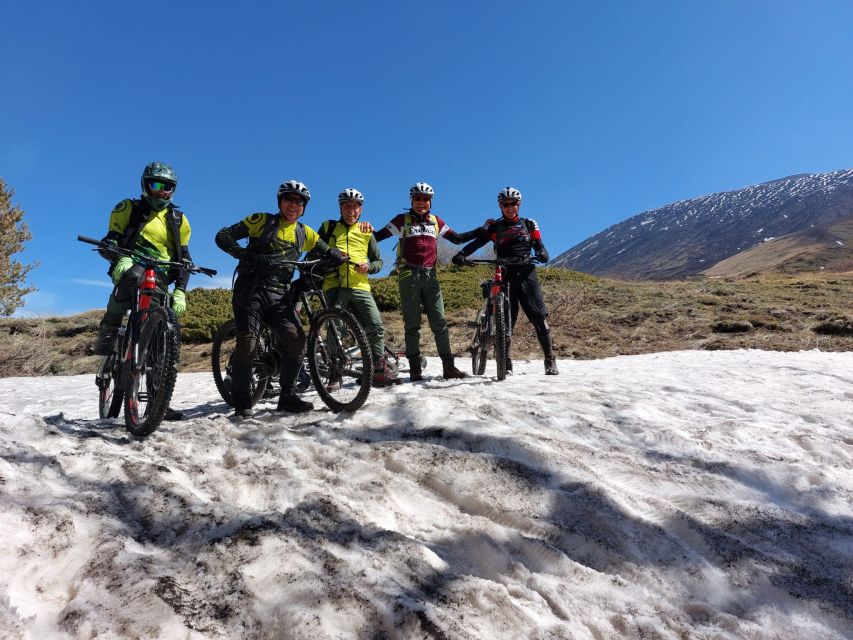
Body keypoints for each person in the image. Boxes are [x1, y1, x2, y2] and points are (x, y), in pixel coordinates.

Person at [215, 179, 346, 419]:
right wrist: (245, 254)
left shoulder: (304, 233)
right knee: (249, 344)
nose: (293, 205)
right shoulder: (261, 221)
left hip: (279, 295)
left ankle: (287, 397)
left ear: (304, 207)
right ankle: (242, 402)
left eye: (299, 202)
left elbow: (325, 248)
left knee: (297, 340)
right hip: (250, 290)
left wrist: (335, 254)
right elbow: (223, 236)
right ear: (280, 202)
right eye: (288, 199)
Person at [92, 161, 192, 420]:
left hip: (159, 277)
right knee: (132, 276)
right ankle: (109, 329)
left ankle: (158, 400)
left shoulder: (179, 220)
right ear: (145, 185)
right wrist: (119, 258)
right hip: (129, 263)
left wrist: (180, 289)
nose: (161, 191)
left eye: (167, 187)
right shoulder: (128, 208)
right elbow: (110, 240)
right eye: (156, 185)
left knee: (160, 339)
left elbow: (185, 260)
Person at [373, 182, 481, 381]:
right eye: (418, 199)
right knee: (412, 324)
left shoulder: (435, 221)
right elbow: (377, 237)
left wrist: (482, 230)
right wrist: (361, 231)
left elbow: (457, 239)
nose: (422, 202)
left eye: (425, 199)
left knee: (439, 322)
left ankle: (449, 368)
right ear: (411, 201)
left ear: (430, 201)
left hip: (431, 276)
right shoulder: (401, 220)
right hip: (408, 276)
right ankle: (415, 371)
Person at [453, 186, 559, 375]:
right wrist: (461, 254)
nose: (510, 207)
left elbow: (540, 246)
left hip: (526, 274)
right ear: (500, 206)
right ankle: (506, 363)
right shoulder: (495, 227)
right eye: (505, 204)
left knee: (538, 318)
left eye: (513, 203)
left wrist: (542, 254)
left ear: (519, 204)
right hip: (504, 274)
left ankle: (550, 361)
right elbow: (476, 243)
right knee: (506, 322)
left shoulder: (529, 224)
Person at [308, 188, 396, 386]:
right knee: (334, 330)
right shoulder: (328, 227)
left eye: (355, 206)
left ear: (361, 210)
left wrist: (369, 267)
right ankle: (335, 372)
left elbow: (379, 261)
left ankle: (378, 367)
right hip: (333, 286)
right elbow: (315, 250)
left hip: (360, 286)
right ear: (340, 208)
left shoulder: (366, 231)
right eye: (347, 205)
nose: (351, 210)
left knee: (375, 325)